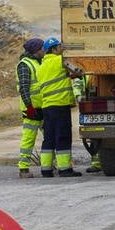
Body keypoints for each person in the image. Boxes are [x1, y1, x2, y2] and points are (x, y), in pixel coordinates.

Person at [36, 37, 81, 177]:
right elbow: (78, 70)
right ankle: (64, 169)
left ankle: (46, 170)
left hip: (47, 106)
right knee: (62, 135)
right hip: (60, 104)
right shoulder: (60, 60)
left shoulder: (41, 66)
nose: (62, 49)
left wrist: (69, 76)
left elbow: (58, 77)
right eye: (60, 47)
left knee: (48, 137)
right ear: (54, 49)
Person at [16, 38, 45, 179]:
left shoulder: (39, 62)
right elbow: (24, 88)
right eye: (42, 48)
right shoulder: (25, 65)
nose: (44, 51)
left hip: (44, 106)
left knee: (49, 138)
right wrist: (29, 106)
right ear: (36, 50)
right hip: (31, 109)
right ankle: (23, 168)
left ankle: (50, 165)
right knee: (29, 138)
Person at [73, 73, 102, 173]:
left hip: (99, 103)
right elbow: (77, 85)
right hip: (91, 105)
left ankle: (97, 163)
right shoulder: (85, 70)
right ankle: (96, 163)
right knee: (93, 135)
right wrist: (78, 96)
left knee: (97, 134)